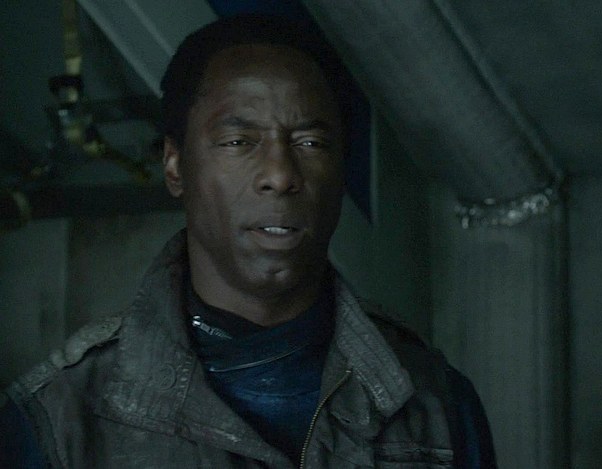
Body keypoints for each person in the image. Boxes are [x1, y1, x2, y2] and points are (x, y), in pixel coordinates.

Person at [0, 15, 495, 468]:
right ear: (175, 166)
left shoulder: (435, 404)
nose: (280, 175)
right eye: (239, 142)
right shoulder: (58, 419)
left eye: (310, 142)